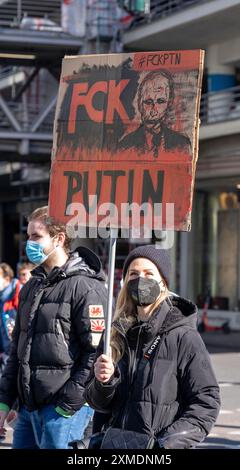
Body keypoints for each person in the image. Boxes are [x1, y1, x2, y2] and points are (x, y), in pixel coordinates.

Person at [85, 245, 220, 449]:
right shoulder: (114, 334)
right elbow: (97, 403)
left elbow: (206, 403)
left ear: (163, 283)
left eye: (149, 273)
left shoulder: (184, 336)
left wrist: (163, 445)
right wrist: (104, 382)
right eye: (134, 274)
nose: (140, 280)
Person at [0, 206, 108, 448]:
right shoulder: (31, 286)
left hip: (63, 411)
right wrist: (5, 401)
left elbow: (96, 351)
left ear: (59, 239)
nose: (29, 242)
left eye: (36, 236)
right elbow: (18, 347)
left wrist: (69, 403)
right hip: (29, 409)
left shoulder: (85, 287)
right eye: (28, 236)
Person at [119, 70, 191, 158]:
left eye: (160, 102)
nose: (154, 110)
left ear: (169, 103)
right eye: (148, 102)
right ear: (139, 104)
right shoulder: (125, 145)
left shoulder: (182, 144)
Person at [0, 264, 21, 368]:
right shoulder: (2, 298)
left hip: (17, 357)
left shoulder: (19, 294)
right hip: (6, 355)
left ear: (7, 279)